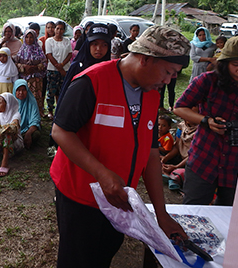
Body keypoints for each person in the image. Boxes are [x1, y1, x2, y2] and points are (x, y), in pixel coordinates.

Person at [50, 25, 190, 267]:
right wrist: (101, 173)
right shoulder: (92, 81)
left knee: (104, 254)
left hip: (119, 199)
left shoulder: (151, 93)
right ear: (145, 59)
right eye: (168, 72)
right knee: (77, 259)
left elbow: (150, 152)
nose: (168, 81)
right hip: (81, 198)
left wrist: (162, 213)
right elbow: (60, 131)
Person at [174, 36, 238, 206]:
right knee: (194, 210)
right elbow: (180, 107)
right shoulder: (208, 81)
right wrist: (206, 121)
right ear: (225, 62)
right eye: (236, 65)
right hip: (204, 158)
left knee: (230, 216)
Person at [58, 23, 112, 106]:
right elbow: (65, 98)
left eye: (104, 45)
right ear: (88, 44)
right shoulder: (77, 67)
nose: (99, 49)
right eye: (95, 44)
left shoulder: (110, 70)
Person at [14, 29, 47, 116]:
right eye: (27, 37)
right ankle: (25, 116)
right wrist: (24, 67)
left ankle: (35, 117)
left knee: (36, 98)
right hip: (25, 79)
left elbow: (44, 63)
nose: (29, 39)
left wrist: (35, 67)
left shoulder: (38, 50)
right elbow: (16, 63)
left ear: (35, 38)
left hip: (36, 80)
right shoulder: (21, 50)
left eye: (31, 37)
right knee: (25, 97)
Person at [45, 21, 72, 119]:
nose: (59, 31)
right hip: (52, 70)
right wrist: (58, 67)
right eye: (57, 28)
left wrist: (62, 65)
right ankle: (50, 111)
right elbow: (49, 55)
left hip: (65, 69)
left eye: (61, 29)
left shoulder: (67, 41)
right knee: (51, 91)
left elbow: (69, 54)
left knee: (63, 90)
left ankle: (60, 110)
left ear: (64, 30)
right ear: (54, 29)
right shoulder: (49, 41)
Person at [13, 79, 41, 149]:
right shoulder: (11, 102)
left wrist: (28, 134)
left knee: (36, 134)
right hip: (13, 130)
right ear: (15, 91)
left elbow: (35, 120)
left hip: (27, 129)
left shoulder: (31, 101)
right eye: (18, 90)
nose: (21, 93)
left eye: (23, 90)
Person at [0, 48, 19, 114]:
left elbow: (15, 81)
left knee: (7, 104)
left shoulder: (12, 67)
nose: (2, 58)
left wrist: (15, 91)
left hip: (8, 89)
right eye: (0, 56)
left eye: (4, 56)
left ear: (8, 56)